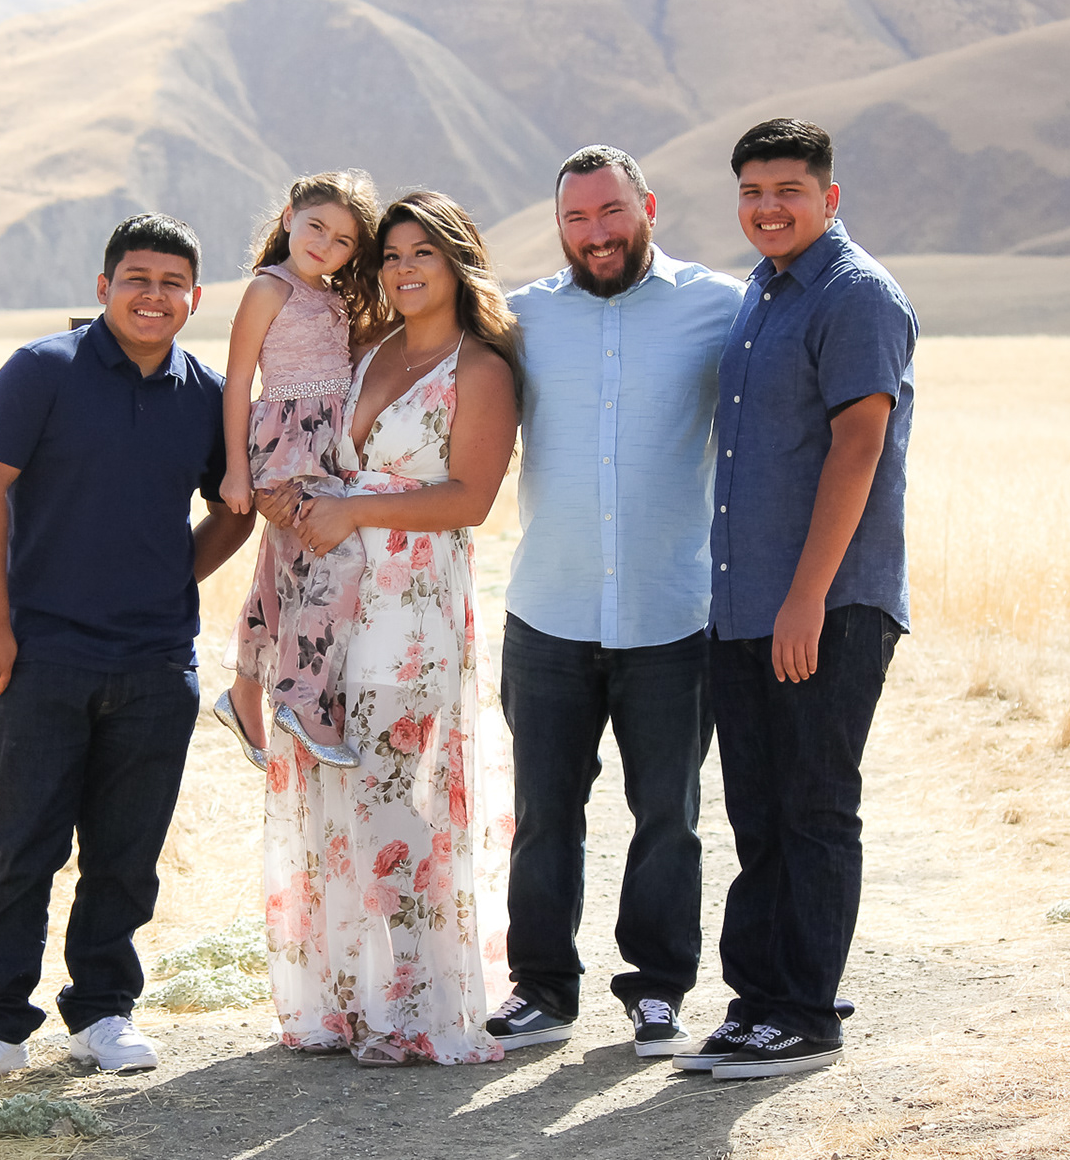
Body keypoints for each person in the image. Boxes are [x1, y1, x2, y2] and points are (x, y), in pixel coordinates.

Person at [0, 214, 257, 1083]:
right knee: (24, 846)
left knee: (126, 854)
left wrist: (171, 577)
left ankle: (104, 1012)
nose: (154, 296)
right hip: (41, 655)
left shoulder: (208, 395)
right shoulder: (43, 370)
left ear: (195, 298)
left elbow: (237, 508)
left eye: (171, 283)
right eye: (136, 279)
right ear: (105, 286)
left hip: (156, 663)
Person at [674, 118, 917, 1080]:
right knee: (759, 812)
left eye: (789, 191)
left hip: (826, 604)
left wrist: (807, 597)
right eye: (752, 192)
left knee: (813, 807)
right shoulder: (761, 294)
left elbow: (860, 447)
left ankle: (805, 1015)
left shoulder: (857, 295)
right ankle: (760, 1004)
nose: (768, 208)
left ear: (830, 197)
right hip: (745, 605)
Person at [488, 146, 745, 1057]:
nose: (595, 234)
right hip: (548, 613)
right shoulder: (519, 319)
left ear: (648, 208)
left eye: (611, 212)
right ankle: (542, 990)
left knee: (668, 818)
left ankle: (659, 992)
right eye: (576, 218)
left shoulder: (721, 306)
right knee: (543, 817)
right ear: (558, 226)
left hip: (671, 614)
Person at [266, 190, 522, 1066]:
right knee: (332, 792)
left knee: (391, 795)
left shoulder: (479, 368)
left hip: (411, 609)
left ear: (458, 262)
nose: (405, 269)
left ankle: (415, 1004)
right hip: (330, 603)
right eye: (392, 256)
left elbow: (471, 499)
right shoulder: (369, 348)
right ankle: (346, 1000)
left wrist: (356, 513)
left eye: (424, 254)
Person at [214, 171, 386, 770]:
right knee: (342, 555)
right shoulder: (270, 288)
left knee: (284, 565)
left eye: (343, 240)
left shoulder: (336, 297)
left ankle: (244, 692)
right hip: (285, 448)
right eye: (315, 227)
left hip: (327, 450)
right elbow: (239, 379)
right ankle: (300, 695)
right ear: (289, 217)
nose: (324, 245)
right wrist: (237, 471)